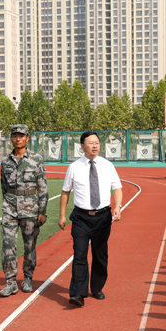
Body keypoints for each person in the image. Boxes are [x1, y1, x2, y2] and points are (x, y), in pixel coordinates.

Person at [59, 130, 123, 307]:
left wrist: (118, 206)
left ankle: (97, 287)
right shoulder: (74, 167)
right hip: (81, 218)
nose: (94, 146)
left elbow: (117, 188)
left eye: (97, 142)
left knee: (100, 254)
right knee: (79, 254)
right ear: (82, 146)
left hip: (102, 218)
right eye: (90, 143)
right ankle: (78, 294)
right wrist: (62, 215)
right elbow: (65, 192)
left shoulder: (107, 165)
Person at [0, 124, 48, 297]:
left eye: (21, 136)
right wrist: (8, 203)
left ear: (27, 138)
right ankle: (11, 281)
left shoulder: (36, 159)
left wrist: (42, 211)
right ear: (11, 138)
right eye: (15, 136)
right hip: (10, 208)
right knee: (8, 244)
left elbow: (42, 186)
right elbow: (3, 186)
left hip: (30, 209)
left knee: (30, 245)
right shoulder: (5, 162)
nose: (17, 139)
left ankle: (28, 277)